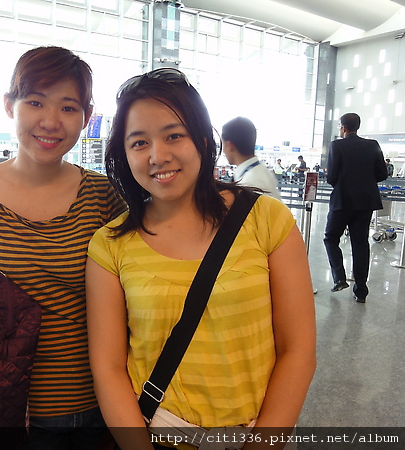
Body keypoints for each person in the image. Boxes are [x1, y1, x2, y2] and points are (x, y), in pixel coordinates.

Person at [85, 68, 316, 450]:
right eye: (139, 143)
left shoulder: (266, 219)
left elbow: (299, 351)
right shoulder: (110, 245)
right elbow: (108, 369)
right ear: (124, 155)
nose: (158, 156)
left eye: (174, 135)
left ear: (203, 139)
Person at [0, 46, 126, 449]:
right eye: (35, 102)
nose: (51, 121)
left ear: (86, 116)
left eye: (69, 108)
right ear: (9, 105)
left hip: (106, 407)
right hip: (11, 411)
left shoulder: (102, 195)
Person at [323, 113, 388, 303]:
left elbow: (331, 177)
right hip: (366, 201)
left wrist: (346, 182)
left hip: (343, 200)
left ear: (343, 127)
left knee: (331, 238)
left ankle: (340, 278)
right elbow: (382, 173)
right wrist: (365, 181)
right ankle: (361, 290)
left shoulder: (337, 146)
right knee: (360, 243)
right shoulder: (373, 145)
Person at [221, 116, 282, 201]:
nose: (223, 151)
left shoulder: (250, 182)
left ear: (230, 145)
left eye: (223, 145)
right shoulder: (259, 173)